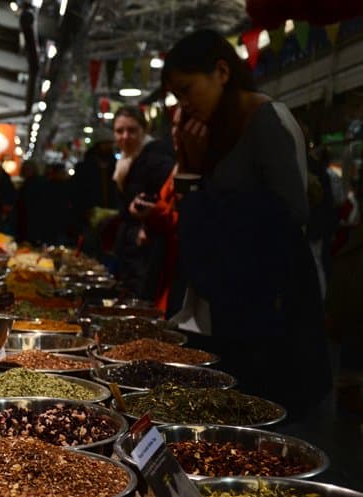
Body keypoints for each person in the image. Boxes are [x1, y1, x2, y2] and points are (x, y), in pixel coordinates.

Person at [163, 29, 331, 419]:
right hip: (224, 306)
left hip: (264, 315)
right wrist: (191, 168)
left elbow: (290, 215)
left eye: (187, 90)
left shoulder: (266, 119)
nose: (184, 105)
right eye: (176, 96)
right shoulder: (212, 131)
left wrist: (198, 175)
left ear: (222, 72)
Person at [111, 106, 174, 299]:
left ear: (144, 130)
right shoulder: (124, 161)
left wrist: (148, 221)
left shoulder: (156, 158)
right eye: (119, 131)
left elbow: (166, 199)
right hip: (131, 246)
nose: (125, 136)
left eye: (132, 130)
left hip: (147, 247)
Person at [71, 127, 118, 261]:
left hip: (113, 218)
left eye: (110, 144)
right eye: (105, 144)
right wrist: (84, 212)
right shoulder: (84, 167)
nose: (108, 147)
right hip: (88, 220)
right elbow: (76, 193)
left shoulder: (117, 166)